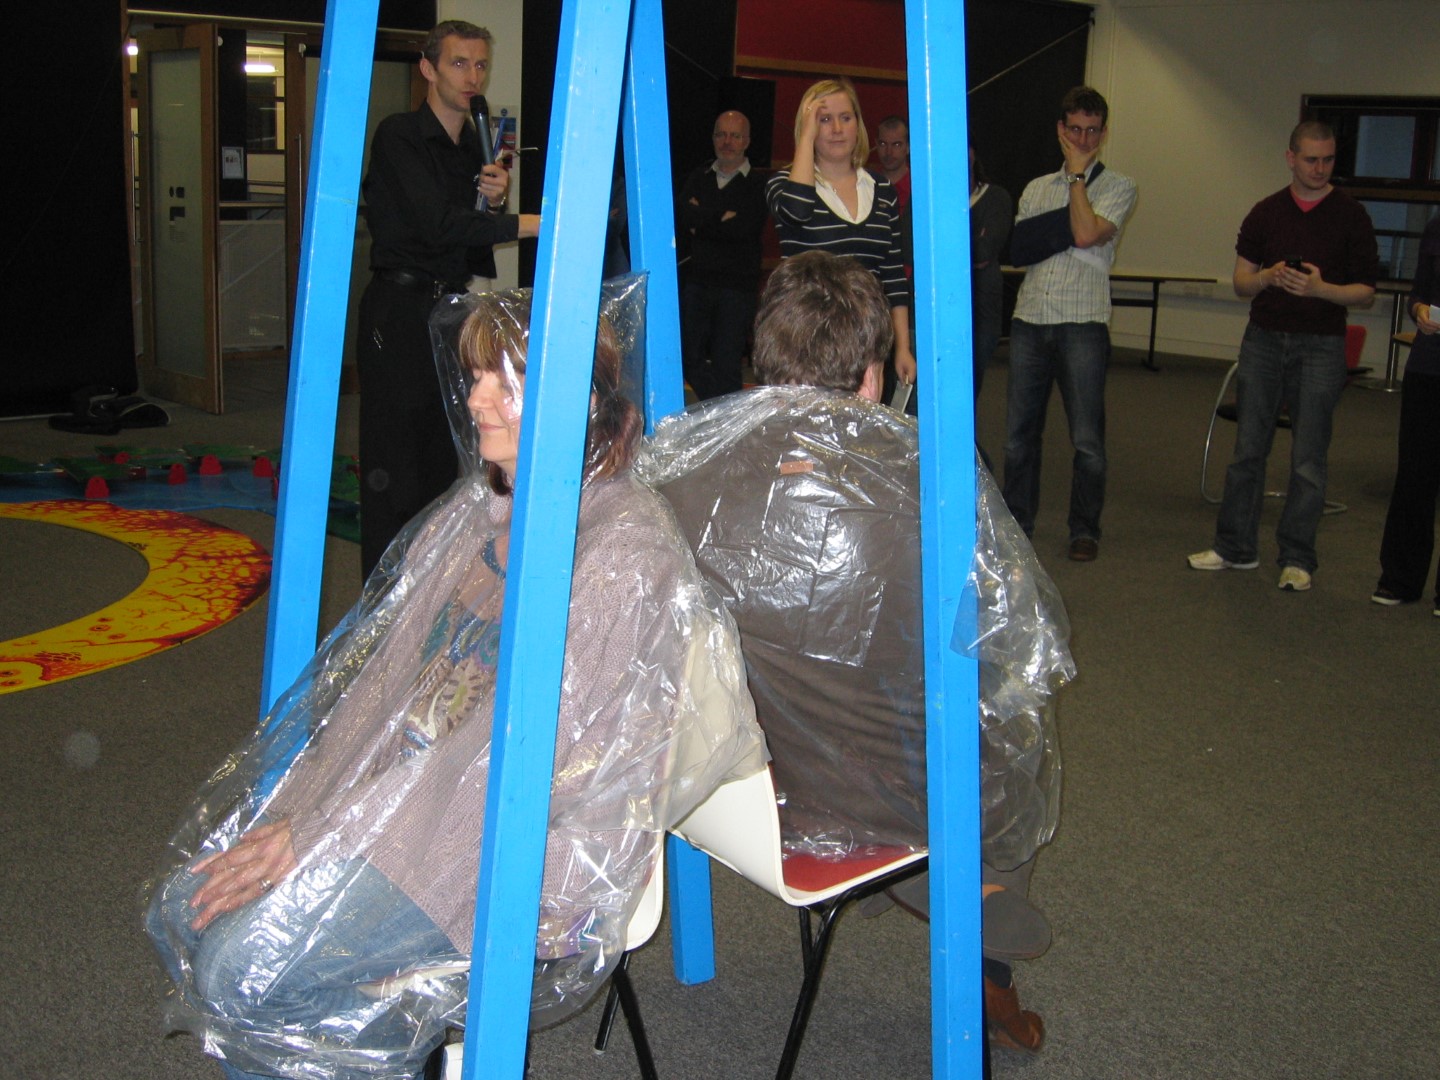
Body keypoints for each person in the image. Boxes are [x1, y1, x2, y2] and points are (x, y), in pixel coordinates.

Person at [144, 281, 765, 1080]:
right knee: (185, 912)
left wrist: (324, 833)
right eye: (472, 377)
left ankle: (388, 1048)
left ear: (578, 400)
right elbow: (381, 690)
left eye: (501, 382)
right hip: (399, 810)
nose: (473, 401)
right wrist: (304, 808)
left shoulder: (623, 552)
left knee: (244, 968)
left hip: (504, 844)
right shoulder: (477, 512)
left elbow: (517, 765)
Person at [640, 251, 1075, 1053]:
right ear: (872, 379)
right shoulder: (930, 486)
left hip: (724, 785)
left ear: (761, 361)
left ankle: (899, 874)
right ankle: (958, 907)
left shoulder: (678, 471)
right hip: (879, 791)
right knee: (1001, 738)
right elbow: (1011, 655)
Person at [356, 20, 542, 581]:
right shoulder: (399, 136)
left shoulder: (472, 150)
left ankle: (426, 591)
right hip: (399, 309)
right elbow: (436, 226)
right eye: (459, 63)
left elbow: (468, 245)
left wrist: (493, 202)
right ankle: (383, 602)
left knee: (444, 460)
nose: (472, 77)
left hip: (450, 311)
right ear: (428, 69)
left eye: (480, 65)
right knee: (393, 466)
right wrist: (527, 222)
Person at [1188, 120, 1378, 591]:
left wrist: (1320, 288)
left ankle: (1297, 558)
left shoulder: (1351, 215)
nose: (1320, 168)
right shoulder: (1265, 213)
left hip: (1322, 345)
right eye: (1311, 159)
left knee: (1308, 458)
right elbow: (1241, 283)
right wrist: (1268, 277)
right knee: (1248, 450)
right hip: (1264, 340)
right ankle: (1235, 548)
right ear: (1291, 158)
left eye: (1328, 160)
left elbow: (1365, 293)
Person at [1003, 86, 1137, 562]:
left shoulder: (1119, 186)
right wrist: (1073, 227)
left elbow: (1082, 232)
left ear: (1103, 133)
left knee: (1087, 439)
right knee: (1019, 437)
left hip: (1083, 323)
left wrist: (1077, 183)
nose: (1082, 140)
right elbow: (1019, 250)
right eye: (1075, 130)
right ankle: (1018, 524)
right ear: (1061, 130)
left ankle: (1084, 529)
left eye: (1092, 131)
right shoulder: (1036, 188)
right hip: (1030, 320)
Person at [766, 79, 916, 397]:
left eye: (846, 118)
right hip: (804, 338)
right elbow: (797, 211)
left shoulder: (882, 189)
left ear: (858, 125)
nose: (836, 129)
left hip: (866, 340)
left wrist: (902, 347)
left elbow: (892, 273)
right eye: (824, 119)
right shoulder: (781, 184)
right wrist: (806, 139)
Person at [1371, 213, 1440, 615]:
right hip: (1428, 368)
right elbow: (1419, 292)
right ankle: (1400, 577)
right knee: (1415, 475)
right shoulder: (1437, 226)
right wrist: (1419, 310)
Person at [675, 110, 768, 400]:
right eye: (721, 135)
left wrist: (702, 219)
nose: (727, 142)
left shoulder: (758, 184)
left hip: (737, 290)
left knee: (727, 364)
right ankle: (715, 405)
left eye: (735, 136)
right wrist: (720, 217)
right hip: (697, 283)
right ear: (713, 138)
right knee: (686, 358)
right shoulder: (697, 177)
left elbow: (744, 228)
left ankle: (724, 418)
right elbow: (683, 218)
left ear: (747, 141)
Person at [969, 142, 1013, 404]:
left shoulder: (996, 198)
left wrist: (947, 247)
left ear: (973, 154)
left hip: (983, 308)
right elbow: (912, 248)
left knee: (970, 387)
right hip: (942, 307)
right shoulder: (935, 198)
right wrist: (975, 238)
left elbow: (984, 252)